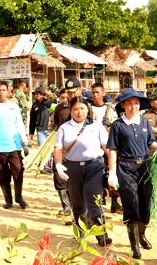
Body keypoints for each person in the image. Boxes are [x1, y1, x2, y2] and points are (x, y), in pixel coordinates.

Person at [53, 96, 112, 247]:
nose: (79, 112)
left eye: (82, 108)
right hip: (72, 169)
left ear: (88, 109)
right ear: (71, 111)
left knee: (95, 202)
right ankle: (80, 232)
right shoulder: (64, 128)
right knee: (77, 202)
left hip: (94, 168)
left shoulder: (97, 126)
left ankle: (101, 234)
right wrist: (58, 164)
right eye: (75, 109)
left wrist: (113, 169)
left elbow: (107, 148)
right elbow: (58, 148)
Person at [107, 88, 157, 259]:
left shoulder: (145, 123)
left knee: (146, 205)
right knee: (131, 204)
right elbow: (113, 149)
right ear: (123, 105)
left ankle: (142, 234)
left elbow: (151, 143)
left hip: (145, 167)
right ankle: (134, 245)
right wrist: (112, 172)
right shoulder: (118, 125)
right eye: (129, 103)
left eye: (136, 103)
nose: (133, 107)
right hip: (126, 168)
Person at [52, 78, 94, 222]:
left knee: (83, 186)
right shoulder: (60, 108)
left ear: (80, 90)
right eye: (68, 93)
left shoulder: (86, 107)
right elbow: (57, 127)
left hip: (82, 154)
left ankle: (84, 215)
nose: (70, 95)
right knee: (62, 181)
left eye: (73, 92)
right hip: (63, 151)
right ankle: (68, 209)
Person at [0, 81, 29, 209]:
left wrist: (24, 142)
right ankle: (8, 200)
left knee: (18, 171)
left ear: (8, 91)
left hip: (14, 146)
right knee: (3, 174)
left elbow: (19, 124)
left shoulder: (14, 106)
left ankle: (19, 197)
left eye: (4, 90)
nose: (1, 93)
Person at [90, 82, 121, 213]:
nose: (95, 95)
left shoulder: (110, 110)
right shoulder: (89, 109)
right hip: (94, 145)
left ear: (103, 93)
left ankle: (114, 201)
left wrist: (110, 124)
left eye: (97, 92)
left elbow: (118, 126)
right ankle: (100, 196)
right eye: (93, 92)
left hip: (109, 145)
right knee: (97, 171)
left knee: (112, 171)